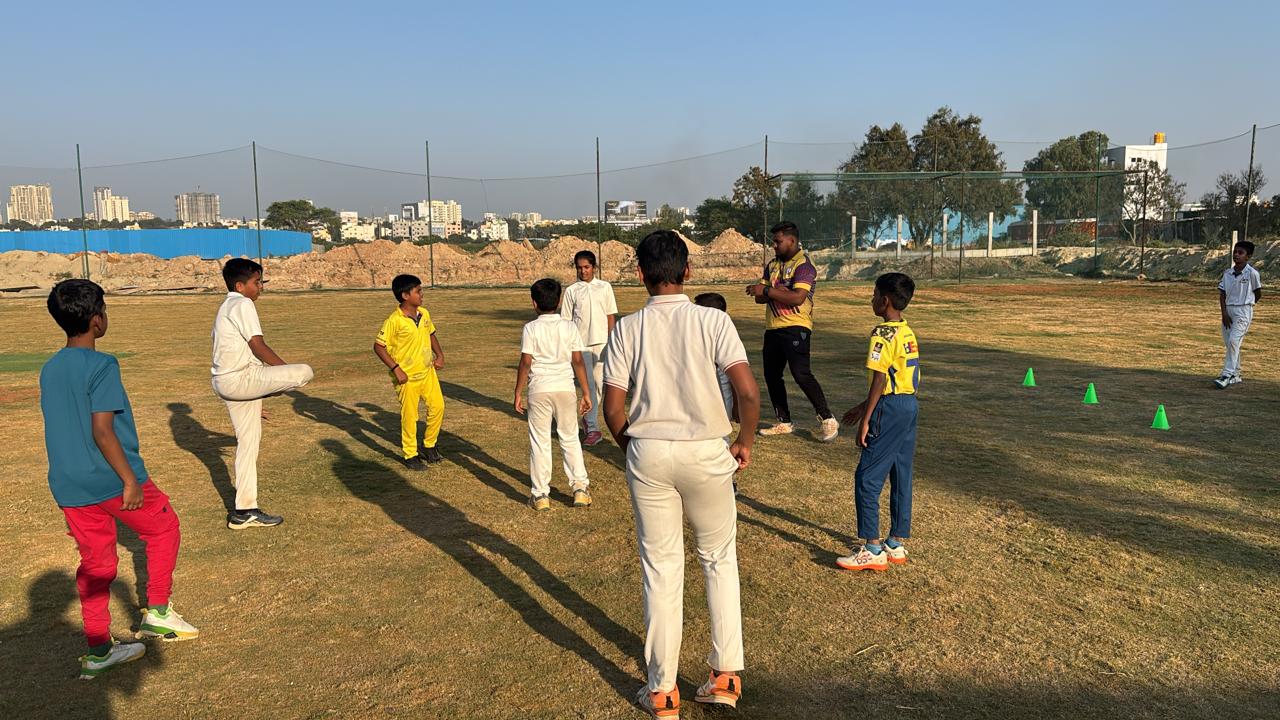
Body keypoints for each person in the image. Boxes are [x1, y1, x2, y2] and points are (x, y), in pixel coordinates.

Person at [603, 230, 760, 717]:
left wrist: (635, 449)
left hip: (649, 451)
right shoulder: (713, 320)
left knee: (661, 568)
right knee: (719, 560)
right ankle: (725, 675)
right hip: (706, 451)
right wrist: (744, 441)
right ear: (688, 271)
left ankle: (662, 690)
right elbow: (747, 393)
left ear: (640, 274)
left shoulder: (627, 328)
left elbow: (613, 409)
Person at [40, 279, 199, 679]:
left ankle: (99, 650)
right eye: (104, 310)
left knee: (96, 563)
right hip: (111, 478)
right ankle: (158, 612)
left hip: (69, 484)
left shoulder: (50, 367)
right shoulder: (102, 365)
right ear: (97, 320)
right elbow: (102, 430)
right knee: (164, 528)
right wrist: (129, 480)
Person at [211, 258, 314, 528]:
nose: (260, 288)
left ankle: (244, 511)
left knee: (248, 445)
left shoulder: (225, 306)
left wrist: (256, 395)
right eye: (257, 282)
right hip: (239, 381)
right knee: (304, 372)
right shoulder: (242, 303)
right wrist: (282, 375)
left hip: (229, 383)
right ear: (239, 286)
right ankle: (264, 391)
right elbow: (258, 346)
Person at [836, 272, 920, 572]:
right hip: (909, 405)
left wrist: (867, 418)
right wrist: (863, 408)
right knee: (901, 472)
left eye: (873, 295)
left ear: (884, 301)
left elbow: (880, 378)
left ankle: (872, 548)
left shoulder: (882, 334)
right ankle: (895, 542)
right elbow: (897, 377)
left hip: (889, 408)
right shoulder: (907, 331)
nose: (871, 300)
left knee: (867, 477)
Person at [746, 221, 838, 442]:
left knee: (801, 373)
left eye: (778, 242)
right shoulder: (772, 265)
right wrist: (766, 291)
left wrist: (768, 290)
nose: (774, 246)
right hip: (773, 327)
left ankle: (828, 418)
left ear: (792, 240)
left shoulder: (804, 265)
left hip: (796, 326)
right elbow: (759, 298)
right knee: (772, 375)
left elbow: (797, 297)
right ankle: (784, 422)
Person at [513, 278, 593, 510]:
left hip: (539, 389)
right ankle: (580, 488)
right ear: (558, 302)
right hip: (565, 388)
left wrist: (518, 392)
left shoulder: (531, 328)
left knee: (540, 441)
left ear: (534, 303)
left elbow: (526, 362)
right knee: (569, 437)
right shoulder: (569, 327)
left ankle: (540, 495)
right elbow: (578, 361)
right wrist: (586, 392)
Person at [373, 274, 446, 468]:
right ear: (405, 296)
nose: (422, 294)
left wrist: (439, 355)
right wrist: (396, 369)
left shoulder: (424, 314)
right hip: (407, 378)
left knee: (438, 407)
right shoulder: (394, 320)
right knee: (410, 416)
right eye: (418, 291)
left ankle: (429, 446)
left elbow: (431, 334)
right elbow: (379, 346)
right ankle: (410, 454)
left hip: (427, 372)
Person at [560, 249, 617, 446]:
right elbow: (566, 321)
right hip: (580, 345)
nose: (583, 271)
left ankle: (588, 419)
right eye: (579, 268)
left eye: (586, 267)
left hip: (602, 343)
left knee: (600, 384)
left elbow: (610, 315)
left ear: (594, 267)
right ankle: (593, 428)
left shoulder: (605, 287)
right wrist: (568, 346)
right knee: (589, 385)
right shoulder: (572, 290)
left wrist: (612, 340)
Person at [1215, 240, 1263, 388]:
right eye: (1235, 252)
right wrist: (1224, 313)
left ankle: (1226, 374)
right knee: (1231, 343)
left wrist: (1247, 304)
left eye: (1240, 253)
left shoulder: (1252, 273)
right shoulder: (1227, 273)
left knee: (1234, 341)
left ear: (1248, 256)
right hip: (1228, 310)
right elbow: (1222, 294)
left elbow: (1258, 293)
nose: (1236, 255)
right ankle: (1236, 374)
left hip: (1243, 311)